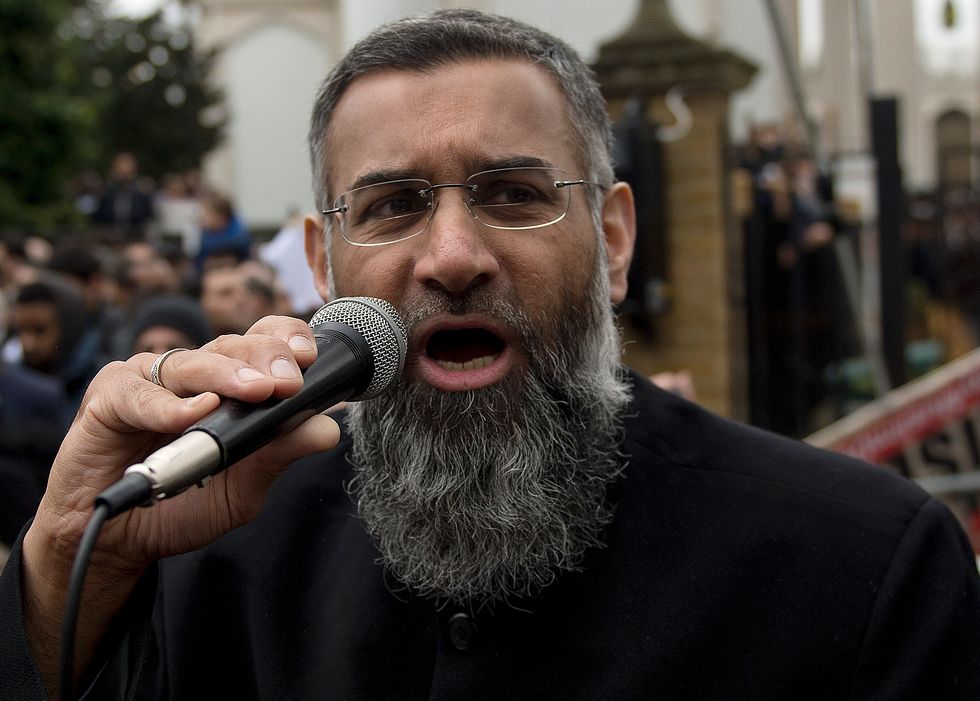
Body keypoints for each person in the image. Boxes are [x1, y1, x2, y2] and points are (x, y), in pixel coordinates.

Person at [1, 10, 978, 701]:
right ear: (318, 263)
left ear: (614, 239)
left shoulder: (858, 565)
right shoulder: (204, 542)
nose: (454, 257)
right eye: (391, 206)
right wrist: (63, 554)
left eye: (512, 194)